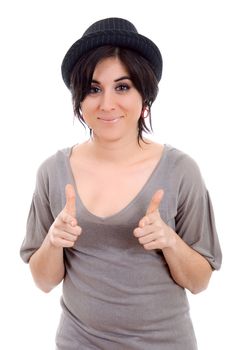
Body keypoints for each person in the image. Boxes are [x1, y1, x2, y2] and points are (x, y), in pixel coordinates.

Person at [20, 17, 222, 350]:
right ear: (79, 99)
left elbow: (199, 282)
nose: (107, 103)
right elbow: (43, 282)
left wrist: (169, 241)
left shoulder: (181, 171)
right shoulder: (52, 173)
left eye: (123, 87)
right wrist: (53, 242)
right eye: (94, 89)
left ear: (145, 97)